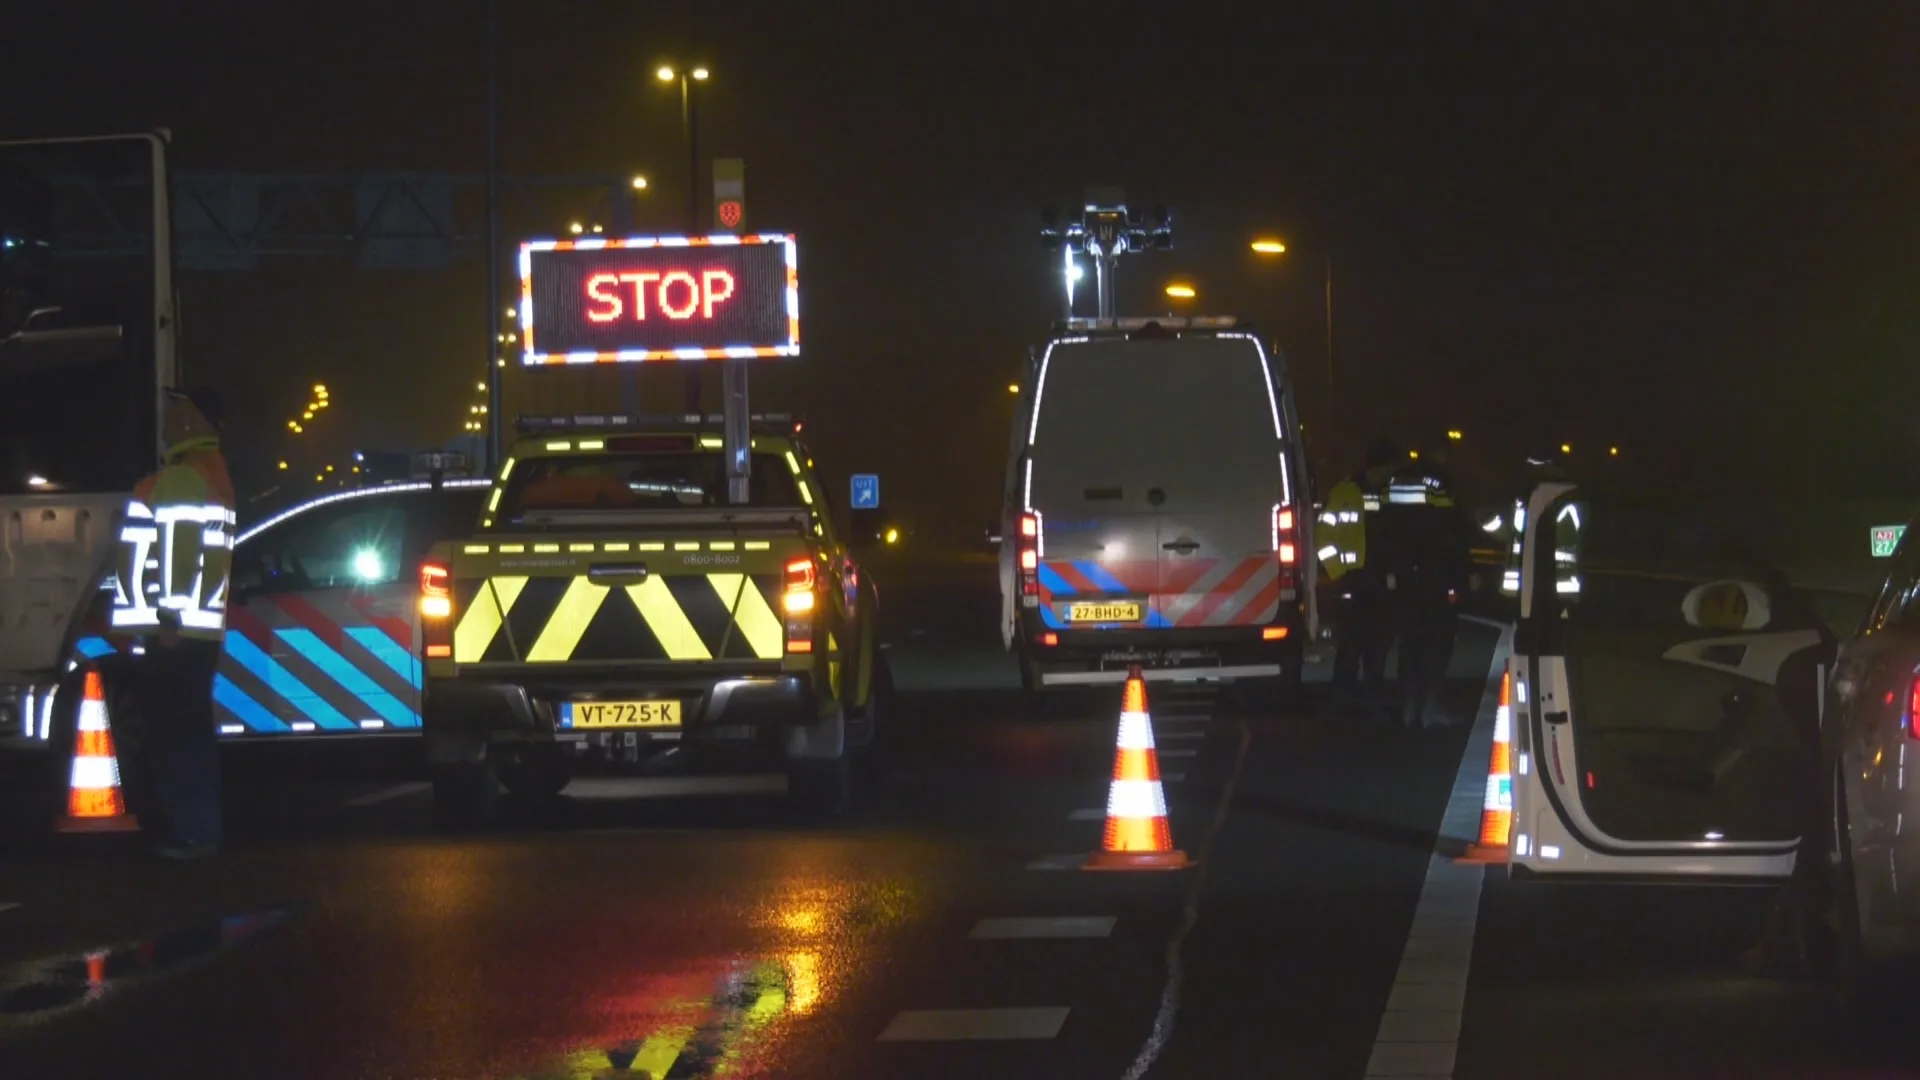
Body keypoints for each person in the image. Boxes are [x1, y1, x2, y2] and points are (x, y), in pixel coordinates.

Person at [111, 386, 235, 858]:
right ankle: (197, 828)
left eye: (175, 411)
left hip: (176, 631)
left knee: (177, 734)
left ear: (189, 422)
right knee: (190, 731)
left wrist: (166, 616)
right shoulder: (207, 472)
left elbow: (179, 552)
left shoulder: (185, 477)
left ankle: (193, 833)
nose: (166, 419)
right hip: (193, 630)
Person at [1378, 442, 1479, 727]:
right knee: (1438, 637)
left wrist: (1390, 566)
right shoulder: (1440, 481)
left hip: (1403, 574)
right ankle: (1430, 704)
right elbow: (1454, 531)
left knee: (1410, 638)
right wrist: (1465, 571)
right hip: (1435, 573)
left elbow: (1382, 525)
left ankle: (1410, 703)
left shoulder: (1394, 481)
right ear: (1441, 455)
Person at [1320, 437, 1400, 720]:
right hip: (1355, 580)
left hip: (1379, 581)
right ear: (1378, 467)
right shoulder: (1346, 492)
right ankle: (1342, 701)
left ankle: (1370, 700)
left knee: (1377, 644)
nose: (1390, 474)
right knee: (1351, 644)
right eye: (1388, 468)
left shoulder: (1388, 493)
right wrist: (1339, 572)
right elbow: (1325, 535)